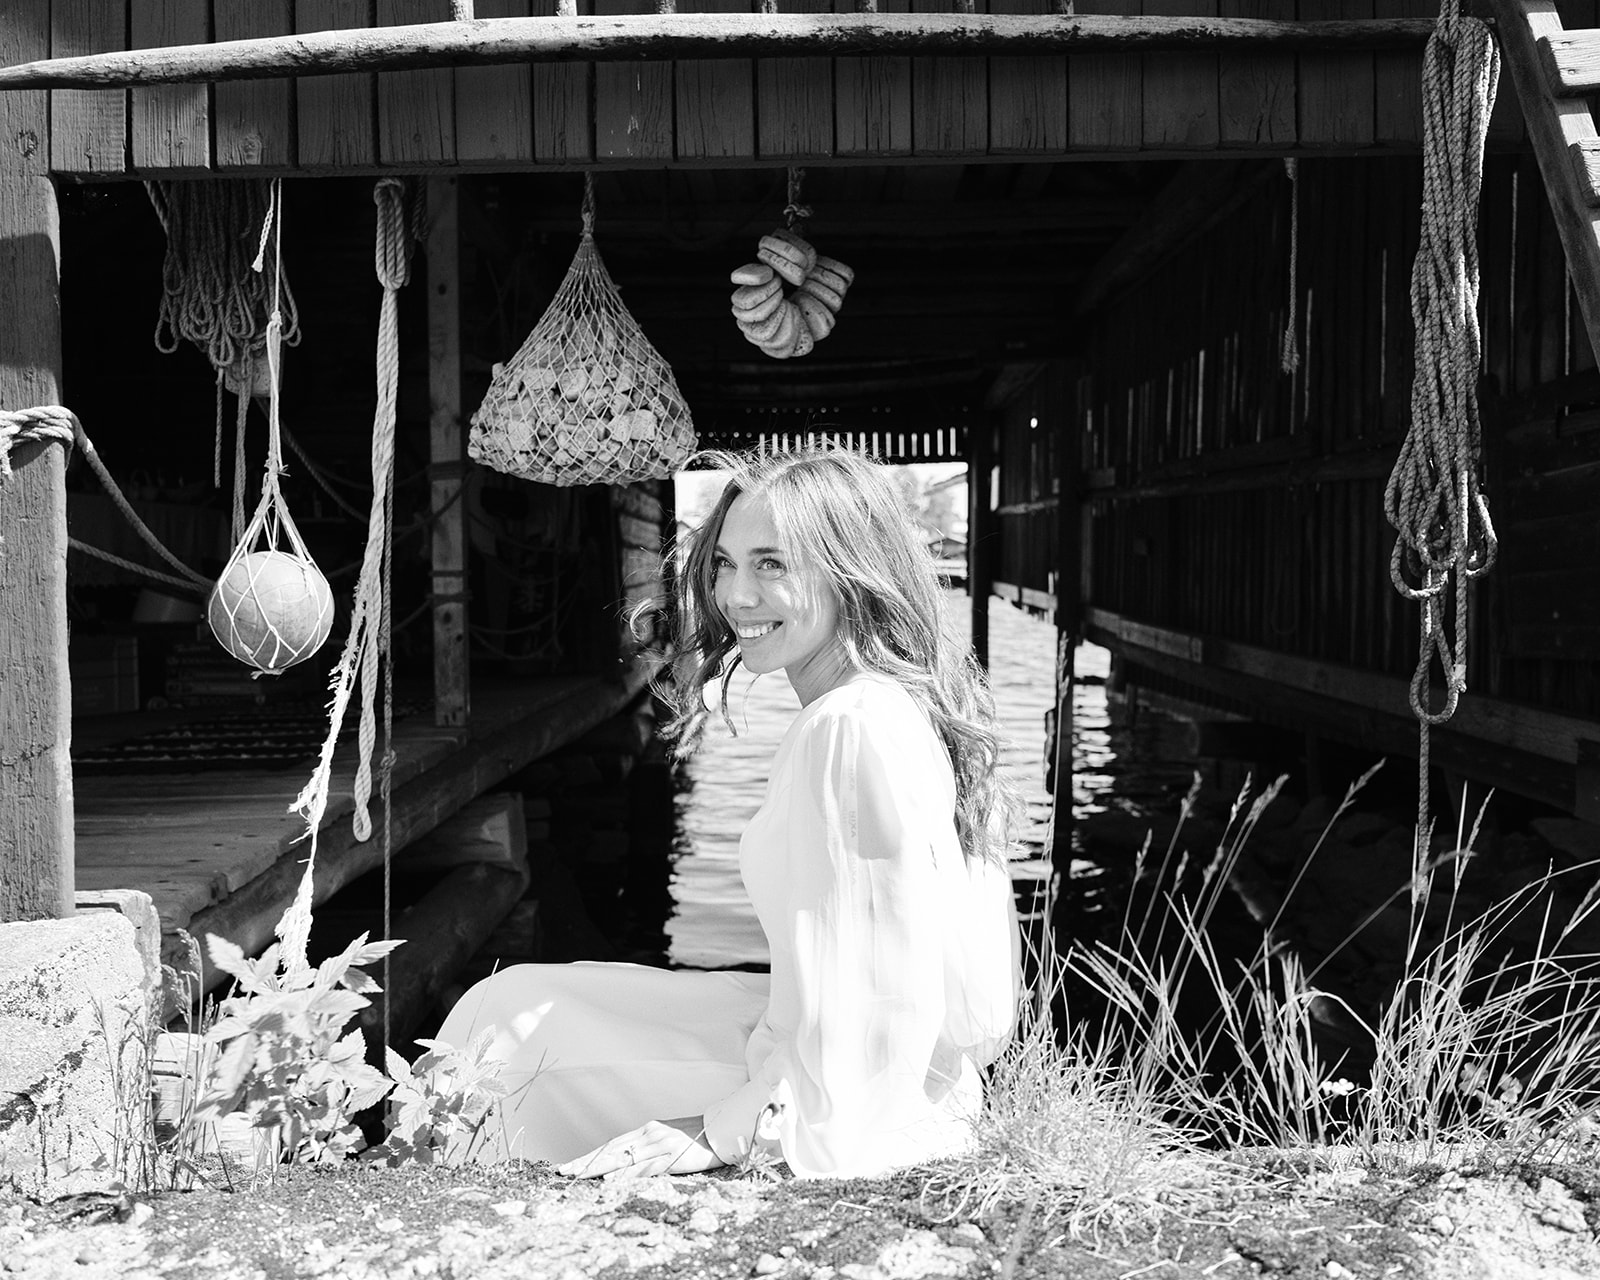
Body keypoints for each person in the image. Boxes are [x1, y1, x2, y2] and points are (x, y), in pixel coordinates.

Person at [437, 444, 1023, 1179]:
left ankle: (452, 1188)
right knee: (518, 997)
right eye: (724, 564)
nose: (735, 596)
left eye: (772, 564)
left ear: (851, 572)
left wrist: (728, 1129)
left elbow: (876, 1007)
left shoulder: (849, 728)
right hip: (857, 1057)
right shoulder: (889, 704)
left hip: (854, 1096)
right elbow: (961, 1002)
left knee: (502, 1036)